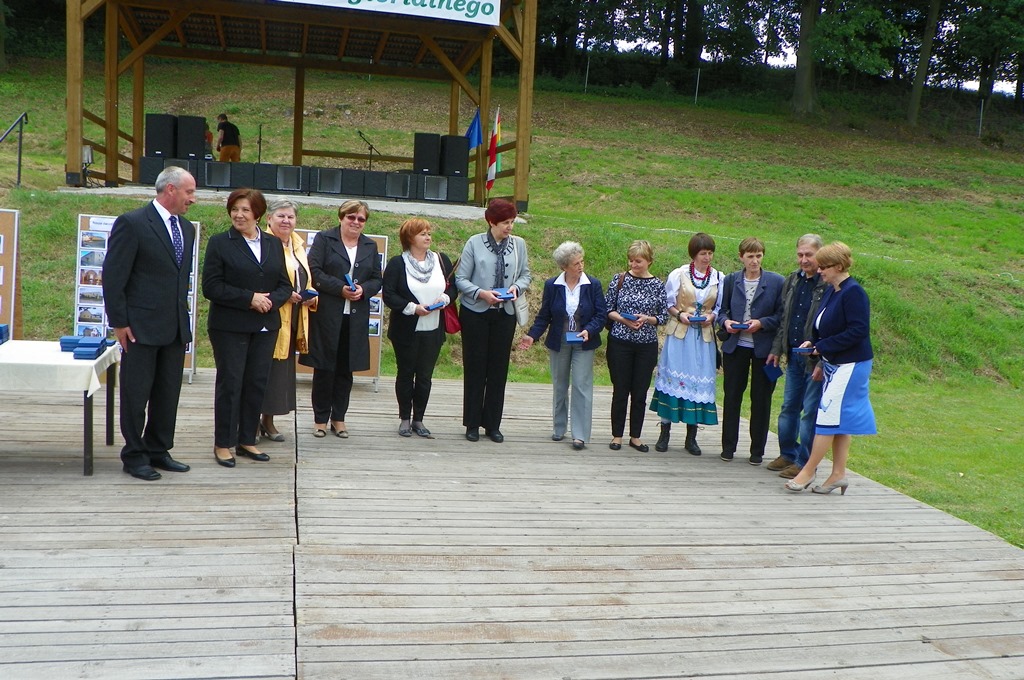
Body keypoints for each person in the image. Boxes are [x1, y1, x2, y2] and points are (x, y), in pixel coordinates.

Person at [103, 166, 196, 481]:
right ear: (170, 189)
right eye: (189, 192)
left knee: (167, 394)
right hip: (139, 328)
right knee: (136, 394)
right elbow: (114, 276)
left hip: (174, 327)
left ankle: (158, 449)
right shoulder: (133, 223)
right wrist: (119, 322)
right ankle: (134, 455)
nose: (192, 199)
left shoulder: (186, 228)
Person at [202, 189, 293, 468]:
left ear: (258, 214)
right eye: (234, 209)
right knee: (231, 383)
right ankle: (223, 443)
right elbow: (211, 287)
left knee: (256, 383)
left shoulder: (273, 243)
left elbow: (284, 285)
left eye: (245, 210)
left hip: (265, 325)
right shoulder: (220, 243)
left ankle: (246, 439)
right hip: (230, 326)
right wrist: (249, 298)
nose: (239, 215)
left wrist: (270, 301)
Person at [785, 241, 876, 495]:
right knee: (840, 421)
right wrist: (814, 346)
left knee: (826, 416)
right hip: (833, 363)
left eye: (824, 267)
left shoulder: (854, 292)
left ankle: (807, 471)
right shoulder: (832, 290)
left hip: (852, 365)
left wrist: (822, 347)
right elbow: (824, 327)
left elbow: (858, 330)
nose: (819, 271)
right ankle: (838, 474)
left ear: (838, 266)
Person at [301, 200, 383, 439]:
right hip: (328, 316)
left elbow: (377, 279)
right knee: (324, 369)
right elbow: (314, 271)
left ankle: (339, 418)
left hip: (355, 318)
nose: (356, 222)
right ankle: (320, 420)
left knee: (346, 371)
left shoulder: (369, 245)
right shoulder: (325, 240)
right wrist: (340, 289)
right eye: (351, 217)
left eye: (361, 219)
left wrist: (363, 290)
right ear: (341, 217)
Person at [455, 198, 531, 444]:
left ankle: (492, 424)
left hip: (505, 314)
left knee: (498, 370)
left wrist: (516, 288)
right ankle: (472, 423)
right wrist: (482, 293)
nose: (510, 227)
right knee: (475, 368)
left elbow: (525, 275)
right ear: (491, 222)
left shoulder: (519, 245)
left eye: (512, 222)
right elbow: (461, 279)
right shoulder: (474, 243)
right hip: (476, 313)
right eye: (505, 222)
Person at [518, 241, 606, 450]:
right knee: (560, 385)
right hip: (560, 341)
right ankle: (559, 428)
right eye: (576, 263)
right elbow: (544, 316)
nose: (581, 266)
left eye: (582, 261)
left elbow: (601, 315)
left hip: (584, 341)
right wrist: (532, 336)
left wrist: (589, 330)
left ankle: (580, 435)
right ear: (564, 267)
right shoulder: (552, 285)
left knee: (581, 386)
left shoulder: (593, 284)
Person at [649, 232, 723, 456]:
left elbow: (720, 307)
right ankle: (664, 433)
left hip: (703, 339)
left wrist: (712, 317)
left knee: (697, 383)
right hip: (680, 336)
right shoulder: (678, 274)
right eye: (703, 253)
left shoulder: (719, 277)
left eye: (710, 253)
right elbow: (667, 303)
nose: (707, 258)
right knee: (673, 379)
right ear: (693, 254)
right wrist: (680, 314)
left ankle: (692, 437)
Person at [382, 218, 457, 438]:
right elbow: (389, 294)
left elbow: (453, 288)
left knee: (425, 376)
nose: (428, 237)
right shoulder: (398, 263)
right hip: (406, 329)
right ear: (409, 238)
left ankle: (419, 419)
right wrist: (413, 308)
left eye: (429, 233)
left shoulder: (441, 260)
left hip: (433, 328)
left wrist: (445, 299)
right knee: (406, 373)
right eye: (422, 233)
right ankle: (405, 418)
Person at [718, 237, 785, 465]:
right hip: (735, 347)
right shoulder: (731, 280)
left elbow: (781, 316)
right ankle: (728, 447)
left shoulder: (776, 282)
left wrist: (761, 323)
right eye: (750, 256)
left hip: (764, 351)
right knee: (732, 396)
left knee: (762, 399)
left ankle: (757, 451)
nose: (754, 261)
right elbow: (722, 311)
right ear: (741, 257)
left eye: (758, 256)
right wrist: (726, 322)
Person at [766, 234, 827, 479]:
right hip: (793, 355)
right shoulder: (792, 280)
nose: (803, 260)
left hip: (814, 358)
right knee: (788, 407)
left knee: (809, 411)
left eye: (809, 255)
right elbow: (784, 319)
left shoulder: (826, 284)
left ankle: (805, 463)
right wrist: (776, 349)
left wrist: (822, 356)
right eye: (800, 254)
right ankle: (787, 454)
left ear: (820, 254)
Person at [259, 199, 316, 443]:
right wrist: (284, 294)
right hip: (269, 316)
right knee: (261, 370)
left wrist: (311, 297)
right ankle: (249, 422)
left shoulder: (297, 244)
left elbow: (305, 278)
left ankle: (268, 420)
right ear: (268, 219)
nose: (286, 221)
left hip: (293, 318)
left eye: (290, 217)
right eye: (281, 216)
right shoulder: (263, 243)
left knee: (279, 374)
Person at [603, 240, 668, 453]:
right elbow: (607, 308)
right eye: (631, 260)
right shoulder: (619, 279)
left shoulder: (657, 285)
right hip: (620, 342)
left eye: (638, 261)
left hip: (646, 346)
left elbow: (663, 316)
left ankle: (635, 436)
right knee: (620, 390)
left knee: (640, 393)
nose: (633, 264)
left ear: (649, 261)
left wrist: (647, 319)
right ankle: (617, 435)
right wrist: (623, 319)